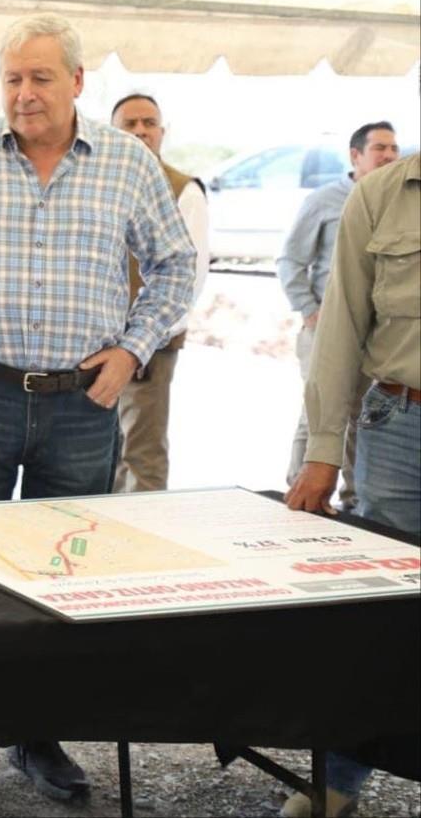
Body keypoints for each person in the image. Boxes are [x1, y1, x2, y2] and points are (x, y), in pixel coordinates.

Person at [0, 13, 195, 808]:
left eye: (41, 78)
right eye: (13, 79)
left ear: (79, 82)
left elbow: (175, 265)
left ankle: (38, 735)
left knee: (63, 582)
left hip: (80, 404)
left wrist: (131, 350)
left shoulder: (127, 164)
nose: (24, 94)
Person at [283, 150, 419, 818]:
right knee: (379, 623)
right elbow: (340, 326)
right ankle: (334, 782)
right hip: (400, 425)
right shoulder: (382, 196)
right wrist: (322, 449)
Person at [277, 121, 399, 510]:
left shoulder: (396, 198)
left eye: (394, 148)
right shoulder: (326, 199)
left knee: (363, 413)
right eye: (380, 148)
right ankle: (300, 493)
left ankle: (352, 498)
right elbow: (291, 261)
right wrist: (311, 312)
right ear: (355, 155)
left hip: (376, 336)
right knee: (319, 411)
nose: (389, 155)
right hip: (326, 330)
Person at [109, 94, 211, 491]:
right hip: (96, 345)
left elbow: (190, 277)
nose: (140, 131)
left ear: (161, 132)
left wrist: (144, 342)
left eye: (148, 123)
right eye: (129, 125)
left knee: (141, 451)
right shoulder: (100, 182)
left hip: (149, 346)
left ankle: (141, 544)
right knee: (105, 449)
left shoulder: (183, 189)